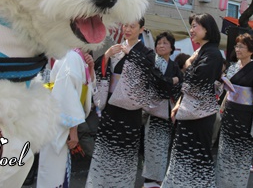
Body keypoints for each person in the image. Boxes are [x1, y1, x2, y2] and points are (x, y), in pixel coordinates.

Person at [86, 19, 172, 187]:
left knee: (124, 154)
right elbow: (101, 71)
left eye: (132, 26)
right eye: (125, 25)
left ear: (141, 29)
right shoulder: (116, 50)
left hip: (130, 112)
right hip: (111, 108)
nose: (127, 29)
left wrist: (131, 54)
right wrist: (106, 56)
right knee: (105, 151)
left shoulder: (147, 53)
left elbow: (152, 75)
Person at [162, 13, 225, 188]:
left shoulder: (213, 53)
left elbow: (197, 80)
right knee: (183, 155)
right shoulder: (203, 51)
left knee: (197, 157)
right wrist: (179, 103)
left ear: (207, 29)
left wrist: (188, 65)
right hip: (191, 112)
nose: (191, 30)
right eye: (191, 26)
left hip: (200, 115)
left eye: (195, 26)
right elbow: (189, 86)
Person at [215, 33, 253, 187]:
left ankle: (237, 184)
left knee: (240, 155)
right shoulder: (233, 67)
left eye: (241, 46)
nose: (237, 49)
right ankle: (222, 183)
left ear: (251, 50)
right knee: (225, 152)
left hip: (245, 117)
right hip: (229, 113)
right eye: (236, 46)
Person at [37, 49, 95, 187]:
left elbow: (87, 85)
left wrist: (91, 67)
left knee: (55, 169)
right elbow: (67, 95)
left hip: (59, 120)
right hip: (60, 123)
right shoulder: (72, 56)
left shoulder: (76, 55)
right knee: (53, 171)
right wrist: (73, 131)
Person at [142, 32, 183, 188]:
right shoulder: (152, 61)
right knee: (151, 144)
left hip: (167, 112)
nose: (161, 45)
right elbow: (157, 81)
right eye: (159, 43)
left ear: (172, 48)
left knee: (163, 145)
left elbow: (181, 84)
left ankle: (157, 178)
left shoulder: (174, 66)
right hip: (152, 110)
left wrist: (170, 83)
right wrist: (170, 81)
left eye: (165, 43)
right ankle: (150, 179)